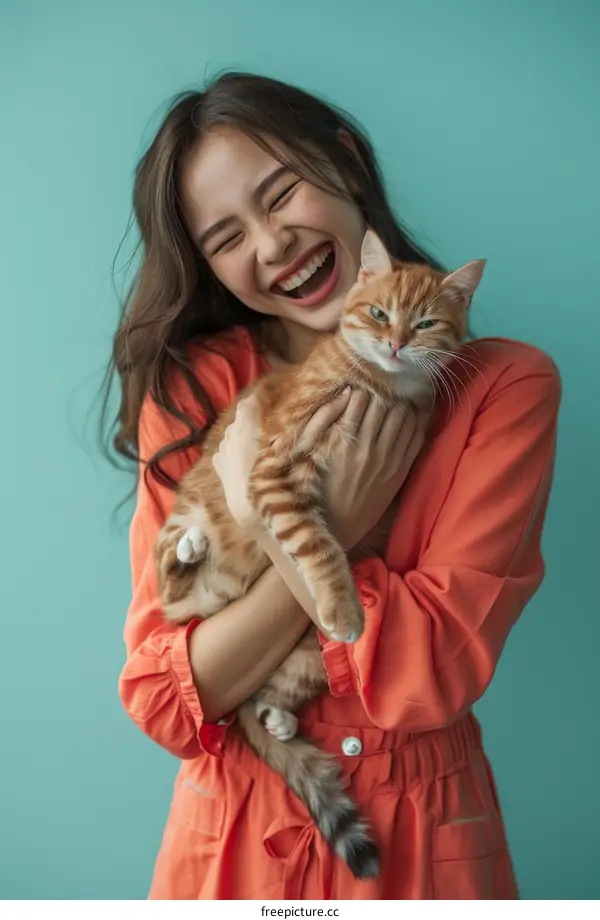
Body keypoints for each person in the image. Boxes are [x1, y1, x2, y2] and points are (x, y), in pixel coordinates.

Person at [106, 72, 561, 899]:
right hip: (232, 839)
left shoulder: (500, 388)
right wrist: (336, 527)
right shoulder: (196, 387)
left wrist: (264, 527)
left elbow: (428, 672)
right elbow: (167, 698)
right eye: (226, 238)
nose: (273, 245)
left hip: (414, 842)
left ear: (346, 162)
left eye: (281, 194)